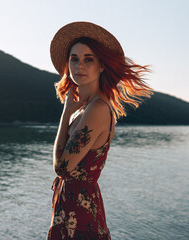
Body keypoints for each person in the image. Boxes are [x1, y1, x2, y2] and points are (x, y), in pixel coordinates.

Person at [47, 21, 152, 239]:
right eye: (74, 59)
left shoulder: (96, 109)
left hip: (81, 217)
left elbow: (62, 168)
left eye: (88, 59)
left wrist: (65, 114)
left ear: (101, 66)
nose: (80, 66)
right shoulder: (86, 108)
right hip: (71, 209)